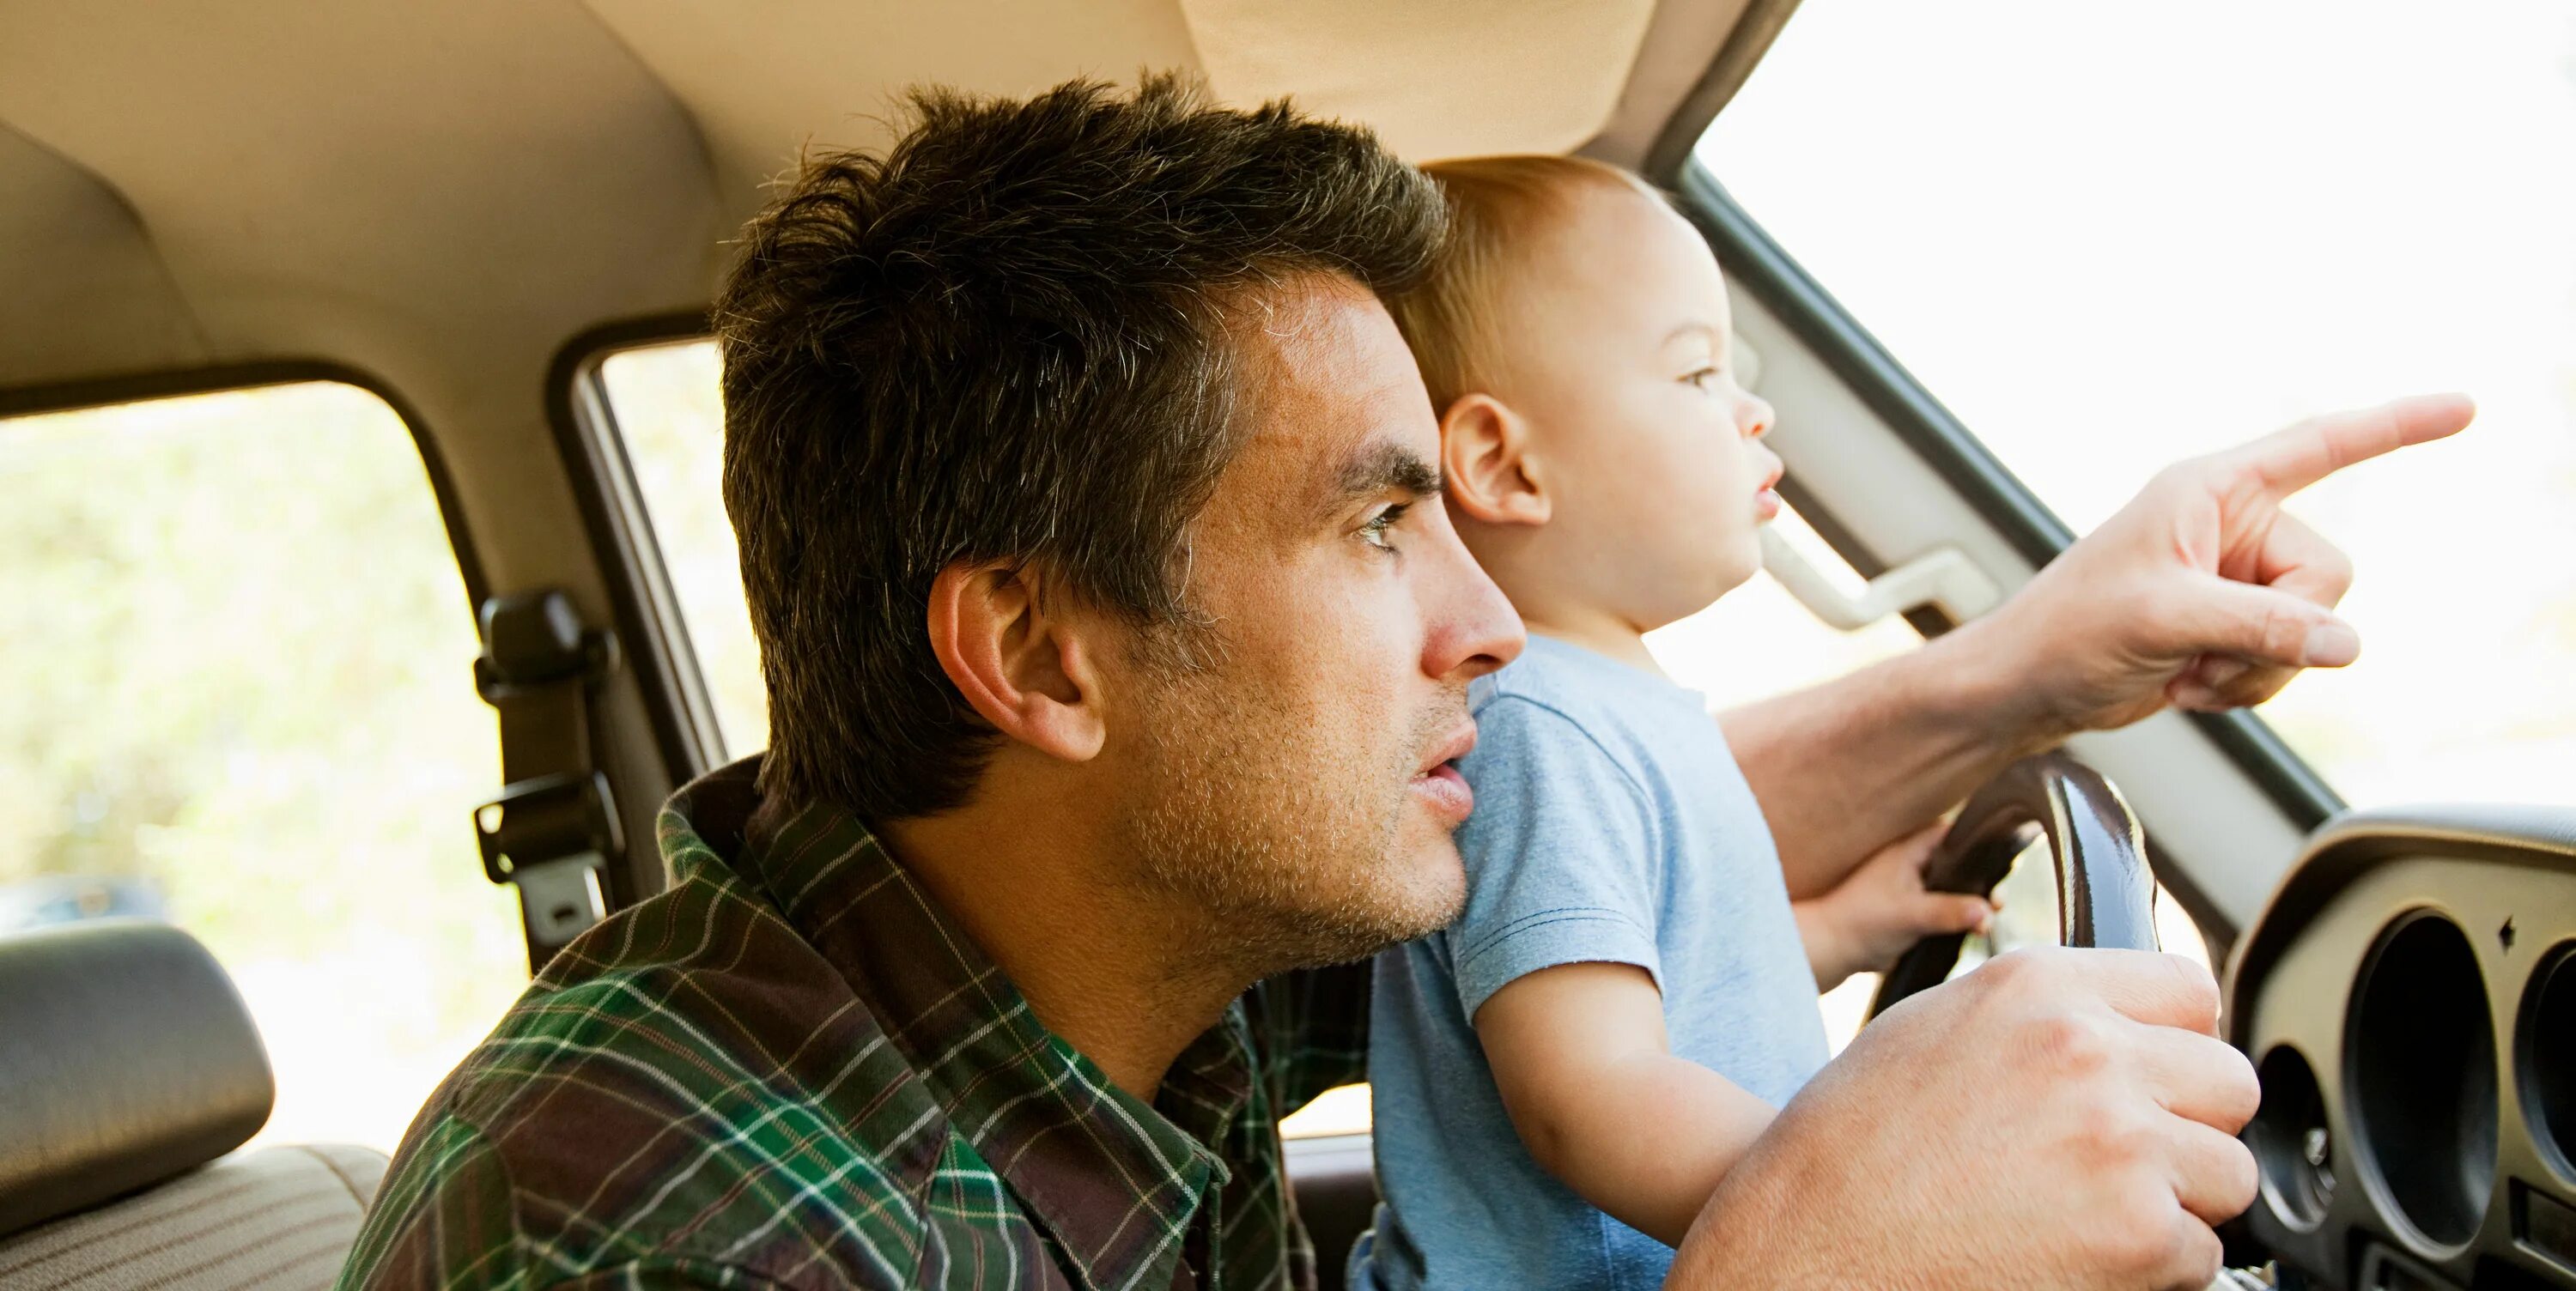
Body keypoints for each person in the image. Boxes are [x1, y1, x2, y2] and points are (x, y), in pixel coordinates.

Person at [337, 76, 2471, 1291]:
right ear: (1042, 653)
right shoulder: (668, 1233)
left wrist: (2033, 670)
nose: (1491, 624)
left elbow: (1595, 820)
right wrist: (1809, 1250)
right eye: (1376, 524)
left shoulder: (1084, 949)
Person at [1353, 154, 1998, 1291]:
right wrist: (1879, 1194)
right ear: (1505, 463)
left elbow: (1649, 996)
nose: (1752, 410)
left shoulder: (1606, 705)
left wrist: (1838, 932)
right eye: (1698, 373)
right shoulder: (1542, 729)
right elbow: (1589, 1093)